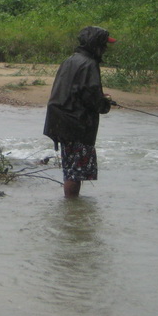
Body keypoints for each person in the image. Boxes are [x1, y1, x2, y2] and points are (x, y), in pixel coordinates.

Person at [43, 26, 116, 198]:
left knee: (70, 170)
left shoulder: (71, 60)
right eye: (104, 44)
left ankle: (70, 210)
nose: (105, 48)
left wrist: (99, 97)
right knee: (75, 172)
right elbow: (92, 98)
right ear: (95, 44)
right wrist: (104, 103)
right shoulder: (89, 64)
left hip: (62, 121)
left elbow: (75, 91)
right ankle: (72, 207)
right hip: (77, 124)